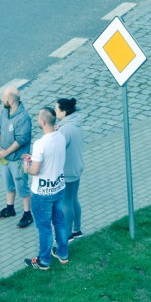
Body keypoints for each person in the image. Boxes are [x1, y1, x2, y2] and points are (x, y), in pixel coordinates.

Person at [23, 107, 69, 270]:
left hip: (42, 193)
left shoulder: (40, 144)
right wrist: (34, 159)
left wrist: (26, 167)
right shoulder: (61, 137)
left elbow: (35, 170)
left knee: (44, 227)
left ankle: (44, 260)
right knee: (59, 222)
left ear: (42, 122)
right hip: (58, 186)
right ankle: (63, 253)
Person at [0, 87, 34, 229]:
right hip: (5, 160)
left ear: (10, 101)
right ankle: (10, 208)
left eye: (3, 98)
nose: (1, 100)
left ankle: (28, 214)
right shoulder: (4, 112)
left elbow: (21, 140)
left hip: (17, 160)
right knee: (8, 184)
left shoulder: (23, 118)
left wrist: (6, 152)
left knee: (22, 186)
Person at [56, 98, 84, 242]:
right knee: (73, 199)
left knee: (66, 203)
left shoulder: (65, 130)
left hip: (67, 171)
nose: (55, 112)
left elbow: (58, 150)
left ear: (64, 112)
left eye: (57, 110)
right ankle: (77, 229)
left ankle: (67, 234)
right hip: (77, 167)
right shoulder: (75, 123)